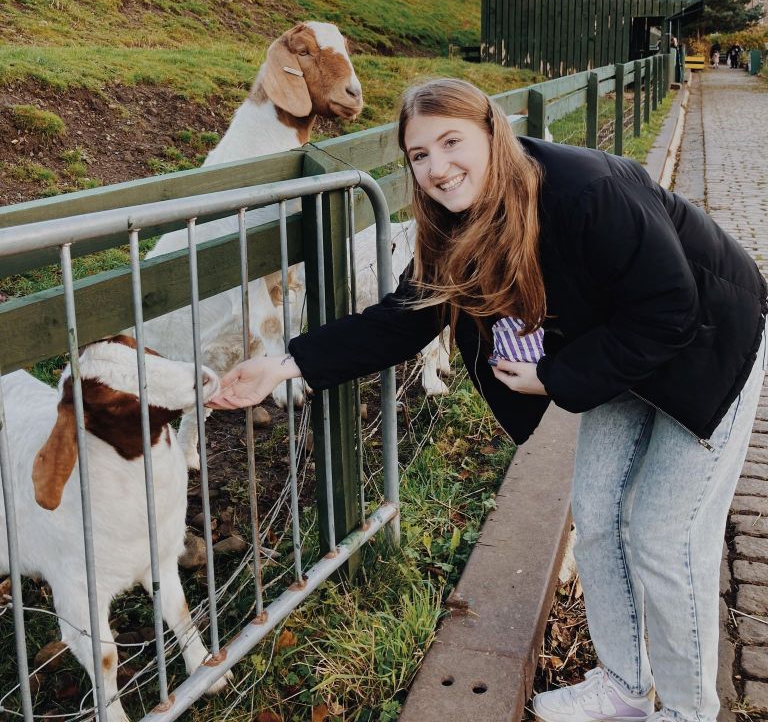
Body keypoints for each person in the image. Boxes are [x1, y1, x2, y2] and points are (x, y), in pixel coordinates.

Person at [208, 78, 767, 722]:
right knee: (597, 518)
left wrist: (555, 377)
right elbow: (405, 316)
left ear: (492, 133)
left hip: (707, 345)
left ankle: (691, 712)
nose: (439, 169)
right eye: (420, 155)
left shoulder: (585, 189)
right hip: (616, 353)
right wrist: (283, 365)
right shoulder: (454, 223)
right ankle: (624, 686)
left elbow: (671, 308)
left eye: (452, 143)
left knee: (664, 540)